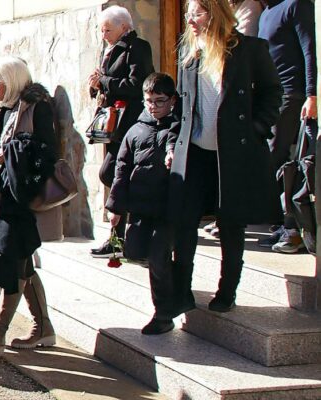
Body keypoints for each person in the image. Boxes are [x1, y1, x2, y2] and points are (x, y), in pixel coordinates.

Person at [169, 0, 281, 313]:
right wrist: (172, 143)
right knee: (184, 222)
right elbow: (181, 103)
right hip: (195, 152)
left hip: (233, 153)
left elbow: (273, 93)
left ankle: (227, 291)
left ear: (215, 13)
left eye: (198, 12)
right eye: (189, 12)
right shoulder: (188, 53)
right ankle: (182, 292)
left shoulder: (249, 50)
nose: (190, 18)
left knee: (231, 224)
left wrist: (256, 128)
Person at [0, 57, 57, 355]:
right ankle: (43, 328)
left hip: (21, 199)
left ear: (14, 80)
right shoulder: (0, 109)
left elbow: (47, 151)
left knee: (11, 262)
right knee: (23, 263)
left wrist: (8, 153)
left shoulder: (36, 107)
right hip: (0, 197)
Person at [104, 72, 180, 335]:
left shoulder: (177, 127)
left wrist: (172, 154)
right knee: (135, 252)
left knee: (159, 256)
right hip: (140, 205)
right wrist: (115, 207)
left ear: (172, 100)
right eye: (149, 101)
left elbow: (174, 145)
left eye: (160, 101)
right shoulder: (135, 130)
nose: (154, 107)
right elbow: (121, 169)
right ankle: (166, 278)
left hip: (168, 207)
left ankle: (163, 314)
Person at [87, 5, 154, 258]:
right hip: (113, 127)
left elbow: (138, 85)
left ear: (124, 27)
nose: (104, 34)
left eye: (108, 29)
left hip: (131, 125)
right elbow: (107, 83)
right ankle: (120, 237)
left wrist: (104, 81)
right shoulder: (110, 49)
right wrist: (96, 85)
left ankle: (125, 234)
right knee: (114, 177)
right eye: (102, 29)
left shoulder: (138, 48)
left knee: (114, 175)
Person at [257, 0, 317, 253]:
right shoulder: (267, 11)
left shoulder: (296, 4)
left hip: (292, 94)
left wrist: (312, 95)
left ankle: (293, 228)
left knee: (278, 156)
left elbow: (309, 48)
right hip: (271, 95)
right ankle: (284, 224)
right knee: (270, 158)